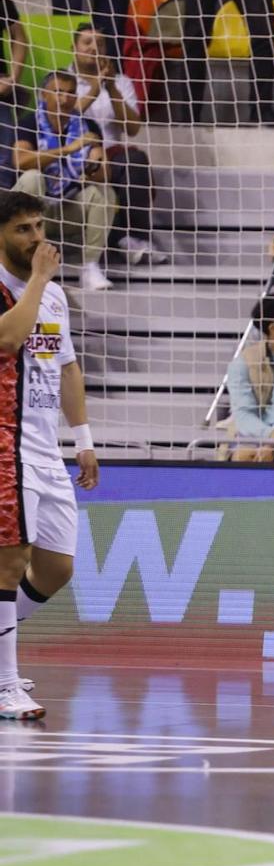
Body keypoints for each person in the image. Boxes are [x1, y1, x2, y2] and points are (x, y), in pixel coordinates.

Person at [0, 190, 98, 719]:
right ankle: (5, 683)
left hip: (45, 449)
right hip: (3, 443)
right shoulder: (20, 288)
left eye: (39, 226)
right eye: (23, 229)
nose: (37, 238)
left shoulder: (56, 297)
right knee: (10, 564)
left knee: (55, 568)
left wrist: (82, 440)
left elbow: (66, 367)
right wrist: (36, 280)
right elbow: (10, 339)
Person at [12, 71, 115, 292]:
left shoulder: (87, 126)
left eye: (70, 93)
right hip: (32, 209)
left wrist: (94, 166)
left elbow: (104, 172)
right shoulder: (29, 122)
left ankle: (89, 267)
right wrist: (68, 149)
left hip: (67, 207)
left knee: (104, 193)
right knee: (32, 177)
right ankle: (32, 260)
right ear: (44, 95)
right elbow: (21, 161)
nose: (65, 99)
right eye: (58, 92)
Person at [69, 26, 157, 267]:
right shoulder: (61, 80)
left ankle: (136, 239)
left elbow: (133, 129)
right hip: (74, 154)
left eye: (100, 43)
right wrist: (96, 87)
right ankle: (116, 240)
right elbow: (65, 117)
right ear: (73, 49)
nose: (94, 48)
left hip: (113, 154)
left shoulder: (121, 82)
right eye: (87, 42)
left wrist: (112, 89)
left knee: (135, 162)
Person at [223, 293, 274, 461]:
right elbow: (244, 416)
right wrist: (272, 436)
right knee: (244, 455)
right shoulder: (242, 363)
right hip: (255, 435)